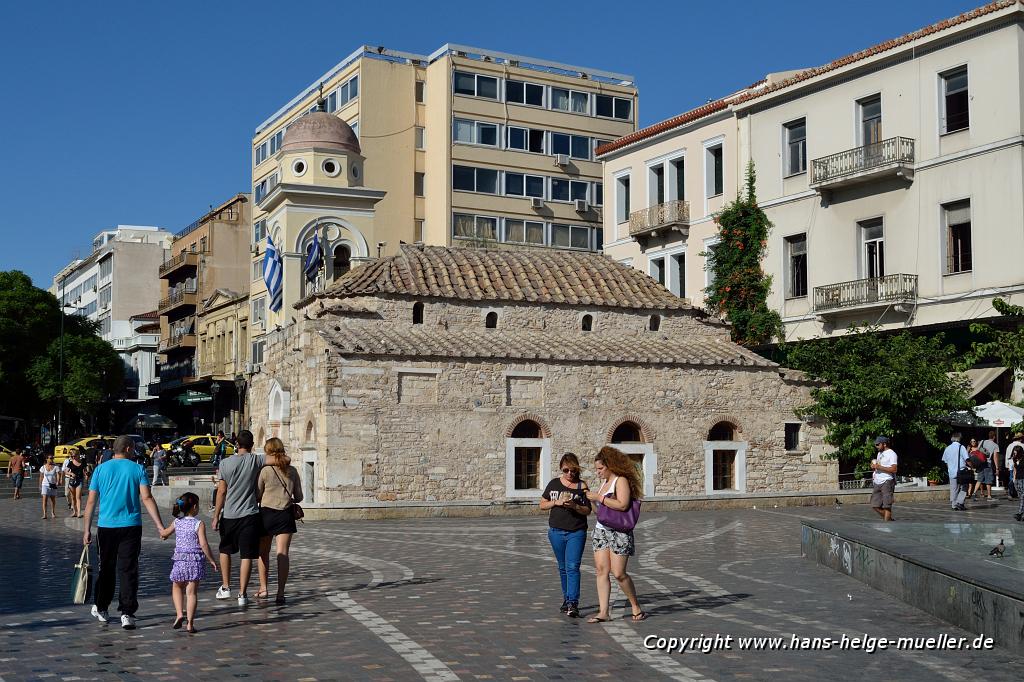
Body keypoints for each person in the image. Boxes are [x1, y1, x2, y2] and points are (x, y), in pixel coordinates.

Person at [82, 435, 166, 630]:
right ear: (128, 448)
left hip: (106, 527)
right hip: (131, 527)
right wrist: (160, 526)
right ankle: (127, 613)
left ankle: (102, 607)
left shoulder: (100, 470)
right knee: (128, 569)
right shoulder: (137, 469)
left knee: (106, 568)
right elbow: (146, 498)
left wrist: (86, 529)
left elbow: (91, 502)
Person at [212, 430, 279, 606]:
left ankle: (226, 587)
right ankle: (242, 594)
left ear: (237, 445)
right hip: (249, 515)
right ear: (251, 445)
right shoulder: (255, 459)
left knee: (225, 550)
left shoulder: (225, 463)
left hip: (230, 514)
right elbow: (281, 459)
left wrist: (215, 515)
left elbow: (221, 491)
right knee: (247, 555)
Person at [584, 446, 647, 623]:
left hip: (620, 531)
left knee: (618, 573)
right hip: (601, 530)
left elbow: (622, 505)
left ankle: (635, 606)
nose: (598, 472)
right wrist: (590, 502)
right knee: (601, 570)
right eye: (597, 469)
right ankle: (603, 612)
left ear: (610, 465)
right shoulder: (604, 484)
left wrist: (599, 497)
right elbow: (602, 512)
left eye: (600, 468)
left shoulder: (621, 481)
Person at [539, 452, 591, 618]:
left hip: (576, 531)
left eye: (573, 470)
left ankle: (573, 602)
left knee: (572, 567)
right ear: (561, 469)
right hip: (556, 532)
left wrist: (575, 506)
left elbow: (588, 510)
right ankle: (566, 598)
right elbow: (542, 505)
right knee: (562, 567)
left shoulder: (581, 486)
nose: (570, 474)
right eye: (566, 470)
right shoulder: (554, 484)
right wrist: (557, 502)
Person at [159, 492, 218, 634]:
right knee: (191, 593)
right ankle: (190, 624)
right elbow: (204, 544)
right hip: (195, 561)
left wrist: (162, 533)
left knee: (177, 587)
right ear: (195, 507)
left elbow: (165, 533)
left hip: (179, 560)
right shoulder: (199, 524)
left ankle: (179, 614)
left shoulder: (177, 522)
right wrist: (211, 559)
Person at [256, 438, 304, 605]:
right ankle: (281, 592)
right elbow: (299, 497)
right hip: (285, 514)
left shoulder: (265, 471)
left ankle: (263, 588)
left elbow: (258, 494)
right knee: (282, 553)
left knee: (263, 552)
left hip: (266, 513)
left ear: (268, 452)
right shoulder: (292, 471)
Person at [870, 436, 897, 522]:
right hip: (878, 481)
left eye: (878, 444)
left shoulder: (892, 454)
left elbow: (894, 469)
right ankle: (889, 519)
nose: (876, 446)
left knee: (887, 505)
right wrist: (874, 467)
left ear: (884, 444)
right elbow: (879, 466)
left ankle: (887, 524)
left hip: (887, 481)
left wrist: (879, 467)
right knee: (875, 505)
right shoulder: (879, 454)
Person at [941, 433, 969, 511]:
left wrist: (950, 468)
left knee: (954, 488)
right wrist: (972, 466)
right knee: (964, 486)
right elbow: (967, 458)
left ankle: (954, 505)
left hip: (951, 472)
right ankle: (959, 502)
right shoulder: (961, 447)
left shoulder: (947, 448)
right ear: (959, 438)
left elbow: (945, 461)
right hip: (961, 471)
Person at [66, 449, 86, 517]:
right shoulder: (70, 463)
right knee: (73, 497)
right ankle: (75, 512)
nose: (73, 457)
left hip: (79, 481)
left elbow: (85, 471)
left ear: (78, 455)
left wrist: (86, 474)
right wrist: (71, 473)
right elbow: (65, 472)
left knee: (78, 497)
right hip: (72, 481)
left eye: (74, 456)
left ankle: (79, 512)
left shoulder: (82, 462)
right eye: (72, 456)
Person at [39, 454, 61, 519]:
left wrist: (58, 481)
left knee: (52, 499)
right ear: (47, 459)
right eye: (50, 458)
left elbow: (58, 474)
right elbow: (41, 476)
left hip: (53, 484)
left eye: (52, 458)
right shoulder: (43, 467)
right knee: (44, 499)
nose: (51, 459)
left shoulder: (55, 467)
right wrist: (40, 485)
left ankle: (53, 512)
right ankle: (44, 514)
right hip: (45, 484)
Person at [1005, 432, 1023, 501]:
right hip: (1020, 465)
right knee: (1020, 479)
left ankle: (1010, 493)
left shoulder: (1009, 445)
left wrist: (1007, 465)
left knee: (1012, 478)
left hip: (1011, 464)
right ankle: (1019, 493)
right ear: (1020, 439)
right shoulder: (1022, 445)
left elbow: (1007, 456)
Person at [1011, 446, 1024, 521]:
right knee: (1020, 496)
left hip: (1023, 479)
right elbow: (1015, 469)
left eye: (1015, 453)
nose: (1014, 454)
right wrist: (1014, 479)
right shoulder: (1015, 459)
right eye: (1014, 452)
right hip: (1017, 480)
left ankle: (1019, 513)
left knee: (1022, 496)